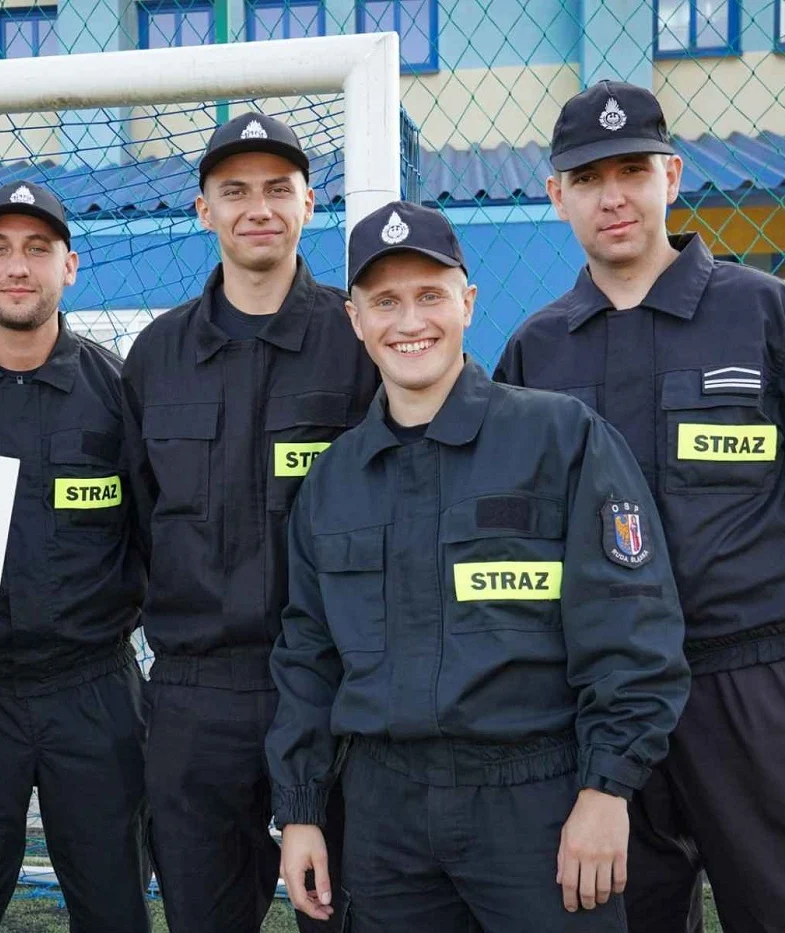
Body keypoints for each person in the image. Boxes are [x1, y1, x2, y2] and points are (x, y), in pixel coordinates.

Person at [494, 80, 785, 933]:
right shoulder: (535, 353)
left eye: (632, 169)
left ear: (672, 174)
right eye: (587, 177)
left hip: (760, 690)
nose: (612, 194)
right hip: (601, 711)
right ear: (557, 196)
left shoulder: (762, 314)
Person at [269, 199, 690, 931]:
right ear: (355, 319)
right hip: (385, 809)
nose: (410, 322)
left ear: (467, 302)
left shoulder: (559, 438)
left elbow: (633, 625)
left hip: (535, 798)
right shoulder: (333, 482)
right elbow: (308, 657)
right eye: (386, 302)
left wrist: (606, 788)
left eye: (430, 296)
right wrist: (300, 812)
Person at [120, 111, 378, 932]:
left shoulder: (358, 339)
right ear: (203, 210)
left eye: (278, 189)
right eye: (234, 191)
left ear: (310, 202)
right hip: (196, 694)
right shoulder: (155, 356)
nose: (257, 208)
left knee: (344, 912)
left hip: (335, 687)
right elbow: (134, 519)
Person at [0, 181, 150, 933]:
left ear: (70, 265)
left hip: (95, 690)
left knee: (114, 909)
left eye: (38, 249)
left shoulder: (119, 390)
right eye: (0, 249)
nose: (19, 266)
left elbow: (155, 532)